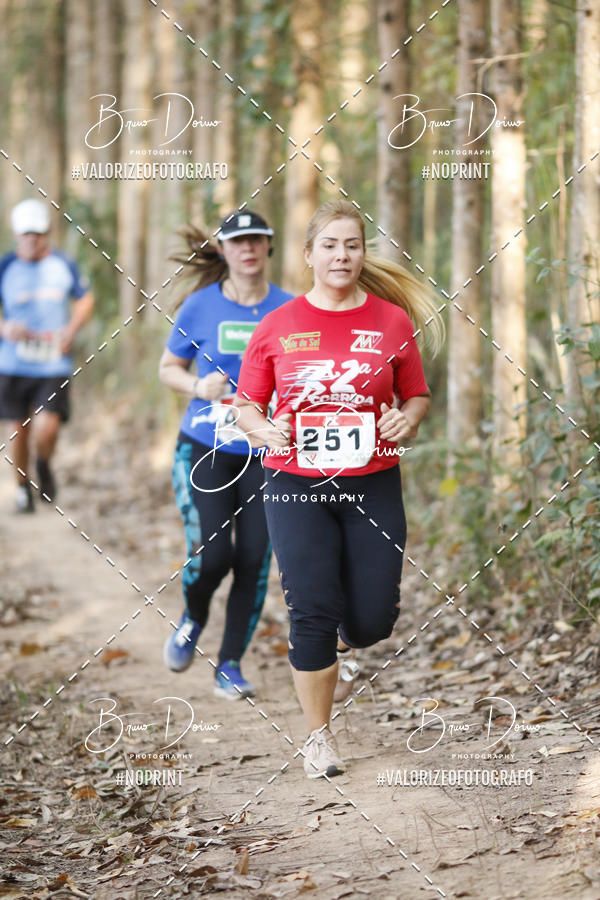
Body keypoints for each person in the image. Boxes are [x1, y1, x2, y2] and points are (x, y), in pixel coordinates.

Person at [233, 199, 444, 777]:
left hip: (372, 481)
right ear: (307, 256)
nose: (341, 255)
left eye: (351, 244)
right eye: (329, 245)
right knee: (311, 608)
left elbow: (417, 392)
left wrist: (411, 417)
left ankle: (348, 640)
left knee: (374, 619)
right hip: (294, 480)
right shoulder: (277, 326)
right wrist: (264, 427)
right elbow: (247, 404)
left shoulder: (391, 323)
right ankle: (319, 739)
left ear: (362, 253)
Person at [159, 210, 293, 700]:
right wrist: (198, 384)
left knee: (254, 559)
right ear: (224, 250)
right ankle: (193, 617)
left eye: (258, 239)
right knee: (214, 554)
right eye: (239, 242)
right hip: (204, 446)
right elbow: (168, 368)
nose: (249, 249)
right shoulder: (199, 307)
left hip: (267, 454)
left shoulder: (290, 309)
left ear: (269, 247)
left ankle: (230, 664)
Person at [0, 198, 94, 512]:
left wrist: (71, 328)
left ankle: (44, 463)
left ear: (46, 234)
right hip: (13, 363)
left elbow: (84, 299)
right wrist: (5, 327)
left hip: (53, 362)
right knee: (17, 430)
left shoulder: (63, 265)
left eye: (37, 234)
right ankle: (22, 489)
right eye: (26, 234)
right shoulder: (6, 267)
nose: (31, 239)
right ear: (17, 235)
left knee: (47, 426)